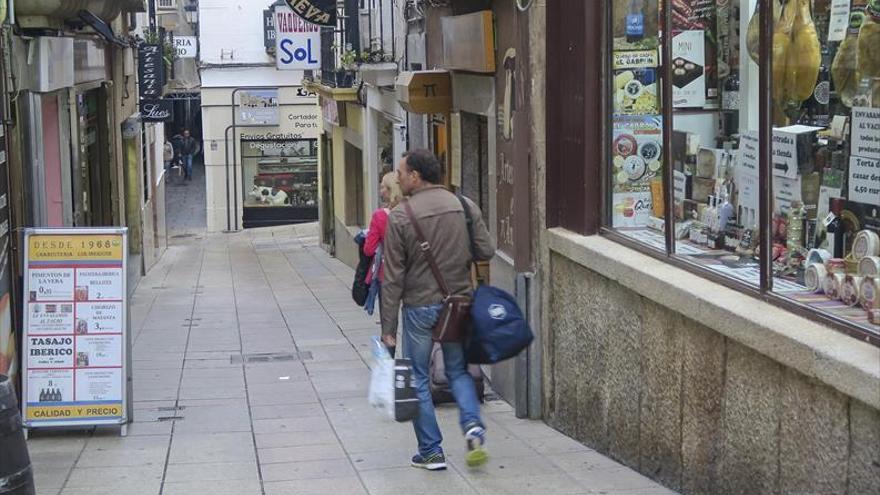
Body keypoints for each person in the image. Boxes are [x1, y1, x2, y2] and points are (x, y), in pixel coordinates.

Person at [381, 149, 495, 471]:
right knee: (458, 370)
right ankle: (473, 426)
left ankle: (431, 452)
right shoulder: (463, 205)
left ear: (416, 176)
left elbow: (393, 277)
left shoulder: (401, 216)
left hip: (418, 308)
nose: (399, 178)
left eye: (401, 173)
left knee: (418, 377)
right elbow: (486, 249)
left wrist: (388, 328)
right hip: (458, 304)